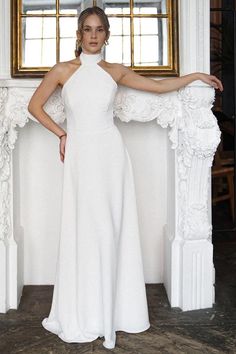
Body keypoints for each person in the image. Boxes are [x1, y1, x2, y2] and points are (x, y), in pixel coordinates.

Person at [28, 6, 223, 350]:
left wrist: (193, 76)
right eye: (87, 29)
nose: (92, 35)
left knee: (110, 228)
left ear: (106, 35)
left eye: (99, 29)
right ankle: (86, 311)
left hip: (110, 154)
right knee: (85, 228)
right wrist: (62, 134)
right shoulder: (62, 70)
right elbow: (35, 106)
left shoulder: (114, 71)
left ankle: (113, 314)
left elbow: (158, 88)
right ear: (78, 34)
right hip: (80, 156)